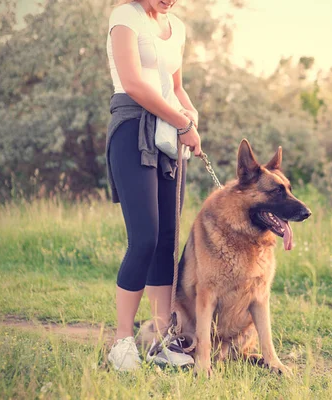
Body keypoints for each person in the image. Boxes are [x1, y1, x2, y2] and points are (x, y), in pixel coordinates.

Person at [105, 0, 202, 371]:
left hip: (169, 136)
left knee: (166, 240)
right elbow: (133, 84)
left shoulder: (176, 26)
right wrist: (181, 121)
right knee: (144, 237)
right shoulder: (124, 17)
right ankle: (122, 342)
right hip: (133, 130)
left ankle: (161, 339)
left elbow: (176, 87)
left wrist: (191, 117)